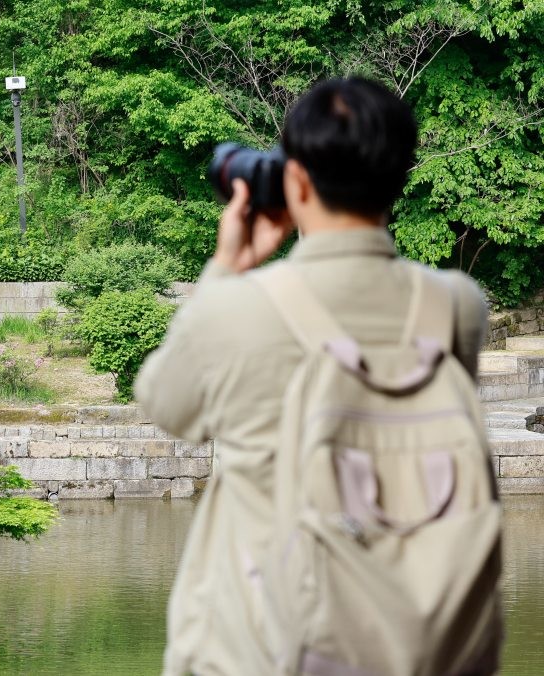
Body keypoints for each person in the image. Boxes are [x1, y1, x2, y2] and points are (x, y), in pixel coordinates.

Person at [134, 77, 492, 675]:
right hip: (413, 646)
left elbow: (165, 403)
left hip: (259, 652)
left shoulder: (238, 309)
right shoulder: (456, 307)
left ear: (295, 180)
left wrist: (228, 266)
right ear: (400, 178)